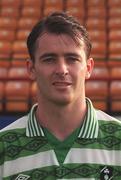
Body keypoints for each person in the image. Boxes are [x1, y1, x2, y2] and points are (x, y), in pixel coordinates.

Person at [0, 11, 121, 180]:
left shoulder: (118, 139)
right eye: (49, 59)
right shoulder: (4, 144)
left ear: (88, 68)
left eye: (72, 59)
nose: (62, 70)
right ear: (31, 69)